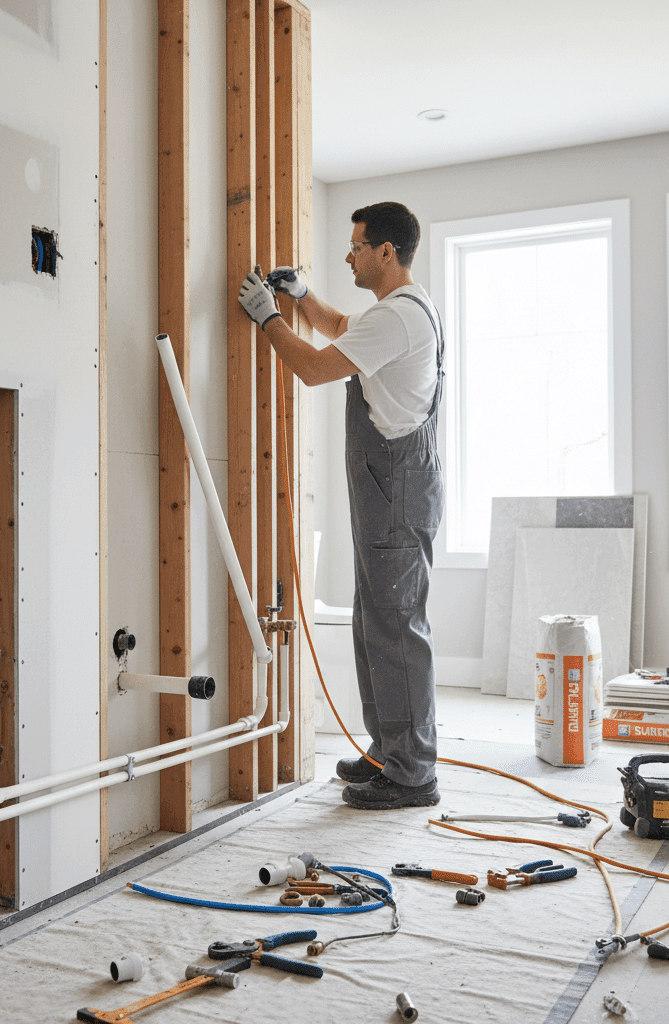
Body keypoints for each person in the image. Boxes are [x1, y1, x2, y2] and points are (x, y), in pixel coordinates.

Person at [237, 201, 444, 810]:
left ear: (385, 253)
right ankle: (390, 750)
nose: (347, 255)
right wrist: (302, 298)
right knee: (376, 621)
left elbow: (313, 368)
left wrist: (268, 319)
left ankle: (412, 775)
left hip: (396, 494)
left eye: (356, 247)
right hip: (395, 487)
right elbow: (339, 330)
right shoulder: (401, 310)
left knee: (397, 626)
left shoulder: (397, 319)